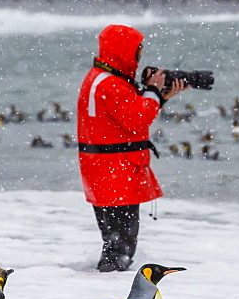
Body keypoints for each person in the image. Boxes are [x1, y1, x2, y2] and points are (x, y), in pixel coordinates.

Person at [76, 24, 188, 272]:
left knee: (114, 240)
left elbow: (130, 115)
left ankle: (102, 282)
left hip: (105, 171)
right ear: (123, 52)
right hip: (115, 171)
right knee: (121, 245)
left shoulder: (104, 78)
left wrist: (160, 96)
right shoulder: (111, 84)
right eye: (137, 52)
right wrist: (152, 92)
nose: (139, 58)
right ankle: (110, 286)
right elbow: (137, 119)